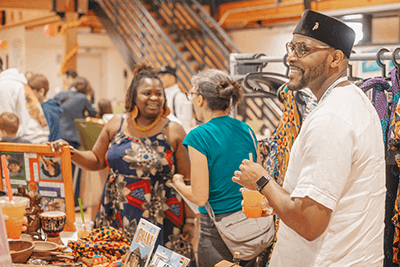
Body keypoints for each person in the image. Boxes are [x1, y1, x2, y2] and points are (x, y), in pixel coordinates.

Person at [232, 10, 385, 266]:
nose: (291, 57)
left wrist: (261, 181)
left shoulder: (332, 118)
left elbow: (310, 222)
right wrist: (277, 200)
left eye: (303, 49)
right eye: (291, 47)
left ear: (335, 58)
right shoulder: (348, 101)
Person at [49, 63, 196, 262]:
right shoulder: (115, 124)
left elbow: (186, 178)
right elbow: (97, 160)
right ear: (133, 96)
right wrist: (70, 152)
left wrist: (190, 220)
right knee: (114, 260)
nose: (154, 98)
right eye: (147, 93)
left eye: (159, 93)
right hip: (118, 210)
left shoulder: (174, 130)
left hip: (162, 214)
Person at [172, 69, 263, 267]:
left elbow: (200, 196)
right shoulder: (247, 130)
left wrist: (178, 184)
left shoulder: (198, 136)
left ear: (201, 99)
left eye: (192, 94)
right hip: (250, 226)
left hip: (217, 231)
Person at [0, 64, 49, 144]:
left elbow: (6, 124)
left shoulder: (4, 86)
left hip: (28, 142)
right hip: (38, 139)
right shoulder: (19, 83)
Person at [28, 73, 63, 142]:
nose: (29, 97)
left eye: (32, 93)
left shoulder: (45, 109)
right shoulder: (53, 106)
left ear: (41, 91)